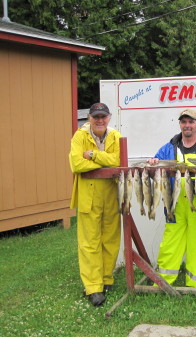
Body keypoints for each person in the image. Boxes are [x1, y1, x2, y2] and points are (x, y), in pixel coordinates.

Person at [147, 108, 196, 287]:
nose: (187, 125)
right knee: (170, 243)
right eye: (184, 122)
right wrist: (152, 163)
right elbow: (155, 168)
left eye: (191, 122)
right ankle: (163, 282)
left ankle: (195, 283)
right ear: (180, 124)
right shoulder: (168, 148)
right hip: (175, 204)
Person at [69, 103, 121, 306]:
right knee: (89, 243)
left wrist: (92, 155)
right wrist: (106, 161)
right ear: (89, 118)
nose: (100, 120)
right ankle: (93, 287)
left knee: (110, 239)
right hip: (88, 196)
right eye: (96, 117)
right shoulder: (79, 137)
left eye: (103, 117)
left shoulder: (116, 136)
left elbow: (118, 160)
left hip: (110, 193)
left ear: (109, 118)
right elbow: (76, 164)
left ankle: (106, 278)